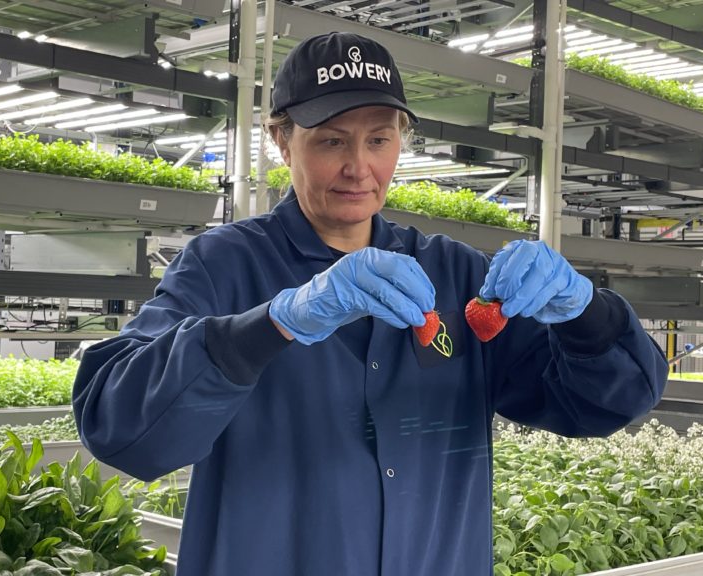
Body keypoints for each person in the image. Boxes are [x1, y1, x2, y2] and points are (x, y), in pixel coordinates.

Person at [73, 31, 669, 576]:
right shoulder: (223, 265)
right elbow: (120, 425)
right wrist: (268, 325)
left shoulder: (456, 274)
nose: (359, 167)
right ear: (282, 140)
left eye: (379, 139)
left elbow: (598, 407)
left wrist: (588, 315)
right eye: (331, 140)